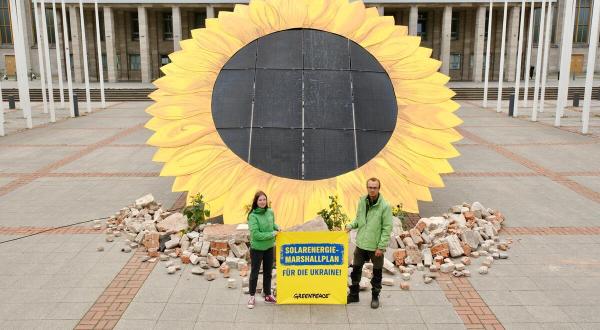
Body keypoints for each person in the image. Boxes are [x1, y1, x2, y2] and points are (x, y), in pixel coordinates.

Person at [345, 177, 392, 309]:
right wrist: (350, 225)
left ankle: (375, 296)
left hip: (375, 246)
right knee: (356, 270)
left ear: (379, 188)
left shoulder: (385, 206)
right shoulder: (362, 201)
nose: (372, 190)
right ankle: (354, 294)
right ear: (367, 188)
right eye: (370, 187)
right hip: (361, 243)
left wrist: (381, 247)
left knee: (377, 273)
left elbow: (387, 228)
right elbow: (359, 219)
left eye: (374, 187)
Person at [247, 190, 279, 309]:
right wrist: (272, 234)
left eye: (264, 199)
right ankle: (251, 296)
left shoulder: (270, 212)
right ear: (256, 201)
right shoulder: (253, 216)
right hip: (257, 249)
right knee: (254, 273)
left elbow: (272, 224)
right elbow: (256, 235)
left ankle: (267, 294)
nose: (262, 202)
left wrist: (277, 227)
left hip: (269, 247)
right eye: (260, 200)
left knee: (268, 273)